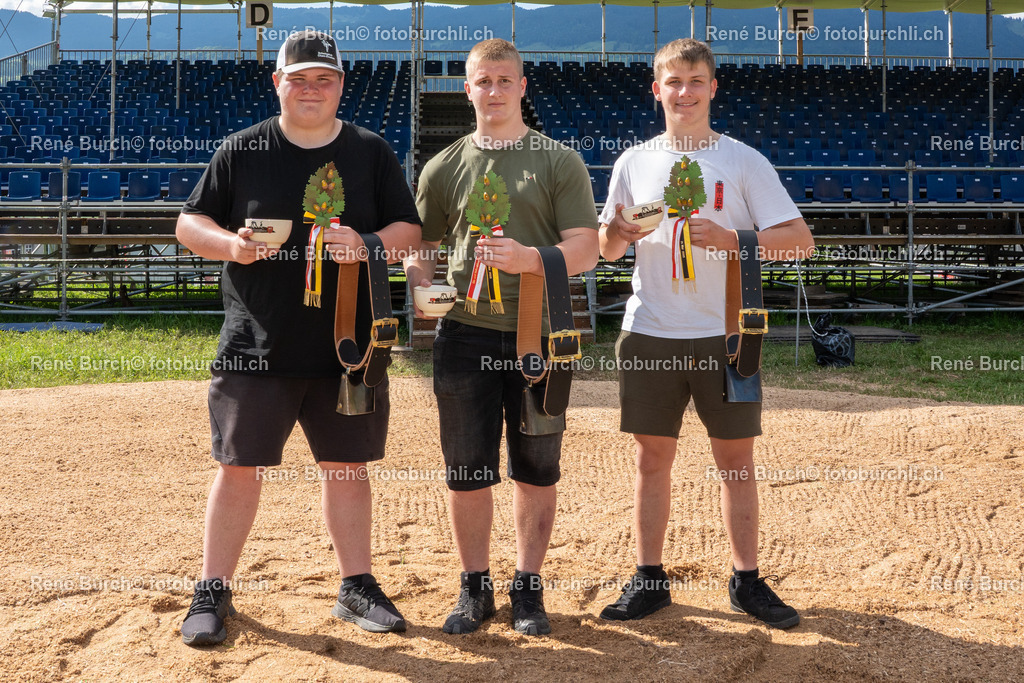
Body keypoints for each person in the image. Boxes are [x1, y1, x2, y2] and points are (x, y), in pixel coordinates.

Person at [175, 30, 421, 646]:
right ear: (277, 82)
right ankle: (212, 590)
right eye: (299, 78)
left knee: (347, 467)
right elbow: (189, 221)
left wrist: (367, 244)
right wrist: (230, 245)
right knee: (239, 468)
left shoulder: (370, 151)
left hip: (348, 344)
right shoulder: (242, 149)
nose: (311, 89)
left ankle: (356, 585)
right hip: (257, 344)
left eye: (324, 79)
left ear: (341, 85)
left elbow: (409, 232)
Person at [597, 38, 815, 629]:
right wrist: (618, 232)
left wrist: (735, 240)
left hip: (726, 335)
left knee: (736, 462)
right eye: (674, 82)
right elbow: (606, 249)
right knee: (650, 459)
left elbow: (800, 240)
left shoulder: (742, 160)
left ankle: (746, 581)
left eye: (696, 81)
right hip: (650, 332)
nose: (685, 92)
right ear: (657, 89)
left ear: (713, 88)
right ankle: (649, 578)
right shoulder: (633, 162)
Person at [404, 38, 599, 636]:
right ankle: (474, 586)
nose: (493, 91)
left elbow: (587, 249)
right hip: (464, 334)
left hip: (540, 333)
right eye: (482, 81)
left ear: (522, 87)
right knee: (467, 470)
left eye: (504, 80)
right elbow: (421, 245)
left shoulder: (558, 161)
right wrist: (423, 290)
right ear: (467, 89)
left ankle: (528, 586)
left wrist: (530, 259)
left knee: (537, 467)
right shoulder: (443, 166)